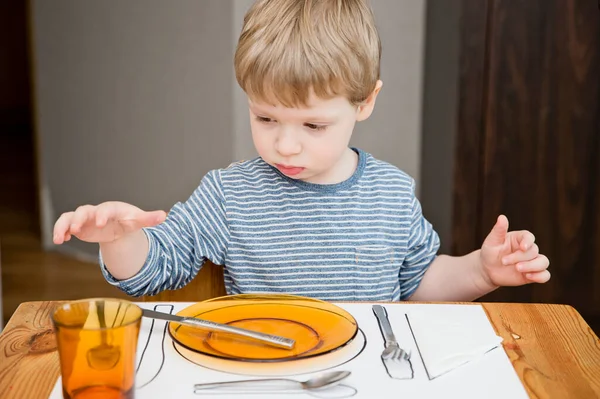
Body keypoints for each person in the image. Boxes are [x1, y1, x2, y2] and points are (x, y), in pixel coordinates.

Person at [52, 0, 550, 302]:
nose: (284, 144)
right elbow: (153, 271)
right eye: (265, 117)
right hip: (260, 374)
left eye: (313, 124)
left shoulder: (391, 194)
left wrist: (481, 271)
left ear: (365, 102)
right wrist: (118, 241)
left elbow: (418, 283)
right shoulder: (228, 195)